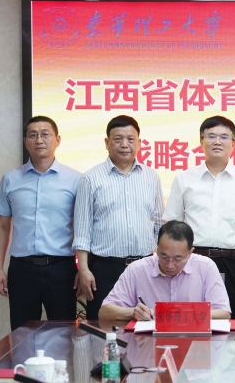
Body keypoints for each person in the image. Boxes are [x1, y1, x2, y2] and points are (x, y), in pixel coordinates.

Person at [163, 116, 235, 319]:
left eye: (224, 137)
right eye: (211, 136)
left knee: (230, 323)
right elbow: (172, 228)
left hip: (231, 263)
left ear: (234, 143)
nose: (217, 142)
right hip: (192, 261)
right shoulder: (184, 179)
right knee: (188, 320)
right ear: (201, 141)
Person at [0, 116, 81, 330]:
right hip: (22, 269)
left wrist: (83, 268)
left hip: (62, 269)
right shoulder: (11, 179)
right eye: (33, 135)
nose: (39, 140)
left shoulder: (76, 180)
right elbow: (2, 226)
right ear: (26, 142)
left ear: (57, 140)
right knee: (22, 334)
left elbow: (84, 228)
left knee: (63, 333)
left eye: (45, 134)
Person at [74, 115, 164, 320]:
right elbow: (82, 230)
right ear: (107, 143)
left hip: (144, 266)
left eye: (131, 139)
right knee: (102, 326)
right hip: (105, 269)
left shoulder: (151, 177)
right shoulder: (90, 179)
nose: (125, 144)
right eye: (118, 139)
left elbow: (159, 224)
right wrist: (84, 269)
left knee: (145, 325)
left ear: (139, 143)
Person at [99, 220, 230, 320]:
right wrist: (132, 312)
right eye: (164, 256)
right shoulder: (137, 270)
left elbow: (224, 313)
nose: (170, 265)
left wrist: (185, 314)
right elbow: (104, 312)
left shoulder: (206, 267)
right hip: (148, 344)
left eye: (178, 259)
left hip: (194, 344)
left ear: (190, 253)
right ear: (157, 247)